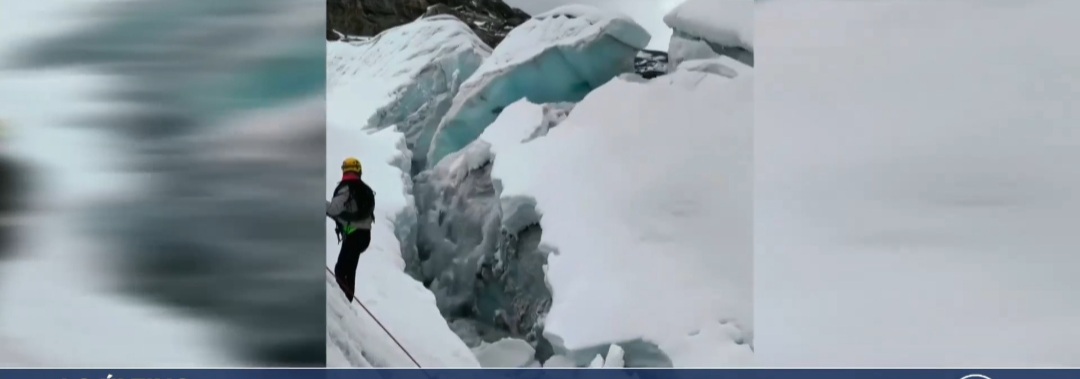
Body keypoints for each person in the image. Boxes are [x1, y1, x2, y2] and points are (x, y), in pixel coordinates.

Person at [326, 157, 375, 301]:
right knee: (349, 271)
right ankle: (347, 301)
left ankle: (345, 303)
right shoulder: (364, 189)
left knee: (340, 271)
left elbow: (334, 209)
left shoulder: (346, 188)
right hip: (364, 236)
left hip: (353, 236)